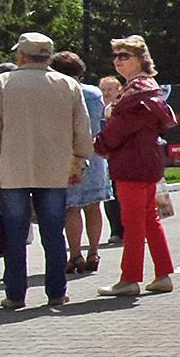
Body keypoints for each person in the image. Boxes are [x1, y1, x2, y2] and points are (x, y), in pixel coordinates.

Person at [0, 32, 92, 308]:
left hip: (12, 170)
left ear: (21, 55)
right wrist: (78, 163)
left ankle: (15, 294)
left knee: (14, 234)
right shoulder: (68, 85)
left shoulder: (2, 84)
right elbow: (82, 130)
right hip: (55, 170)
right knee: (53, 232)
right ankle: (56, 292)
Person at [94, 35, 176, 297]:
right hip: (147, 161)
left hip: (132, 163)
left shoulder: (134, 94)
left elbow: (118, 131)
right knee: (149, 219)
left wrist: (99, 144)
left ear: (141, 59)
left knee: (133, 223)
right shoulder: (148, 88)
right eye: (116, 55)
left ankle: (129, 278)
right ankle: (162, 275)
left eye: (124, 56)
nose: (117, 61)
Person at [49, 52, 111, 273]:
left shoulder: (57, 94)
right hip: (94, 156)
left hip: (67, 156)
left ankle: (75, 254)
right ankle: (94, 252)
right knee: (94, 207)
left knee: (71, 208)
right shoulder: (94, 93)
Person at [98, 75, 125, 243]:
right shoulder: (97, 108)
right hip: (105, 158)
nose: (106, 93)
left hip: (122, 157)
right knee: (111, 197)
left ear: (119, 90)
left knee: (124, 194)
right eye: (103, 89)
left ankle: (130, 229)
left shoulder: (123, 108)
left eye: (110, 89)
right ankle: (116, 231)